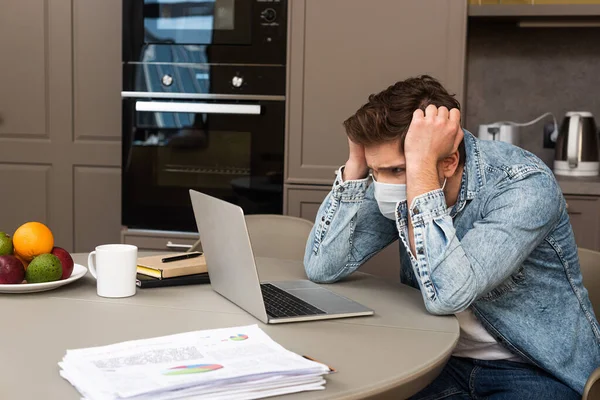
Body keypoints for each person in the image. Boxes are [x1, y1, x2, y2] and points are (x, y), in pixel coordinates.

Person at [303, 75, 600, 399]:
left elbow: (449, 295)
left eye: (397, 170)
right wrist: (356, 165)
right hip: (439, 358)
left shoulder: (524, 185)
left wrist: (421, 174)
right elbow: (323, 267)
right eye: (378, 171)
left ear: (449, 161)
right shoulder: (397, 184)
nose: (384, 185)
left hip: (534, 369)